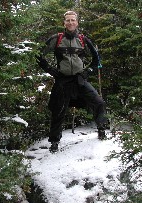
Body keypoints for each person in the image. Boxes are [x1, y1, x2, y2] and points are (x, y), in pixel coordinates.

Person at [36, 10, 108, 152]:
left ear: (77, 22)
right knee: (59, 110)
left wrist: (87, 72)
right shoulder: (56, 38)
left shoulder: (83, 39)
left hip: (79, 79)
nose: (70, 22)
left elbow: (97, 60)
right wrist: (50, 70)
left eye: (72, 20)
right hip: (62, 80)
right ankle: (55, 142)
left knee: (99, 102)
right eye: (68, 20)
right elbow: (38, 55)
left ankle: (101, 128)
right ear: (64, 22)